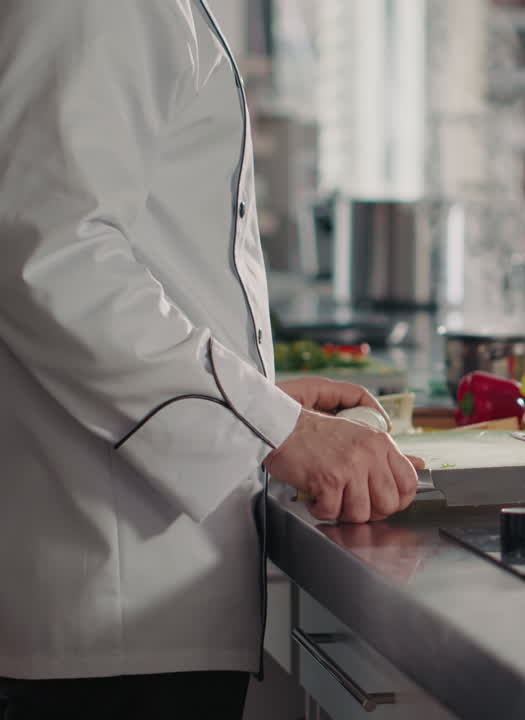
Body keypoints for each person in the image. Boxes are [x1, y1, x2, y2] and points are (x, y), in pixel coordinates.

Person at [0, 3, 422, 718]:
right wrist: (275, 429)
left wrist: (264, 400)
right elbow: (53, 257)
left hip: (132, 589)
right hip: (113, 598)